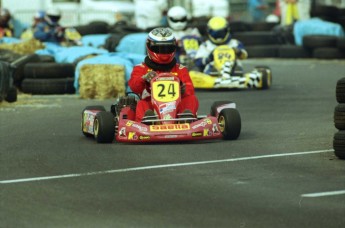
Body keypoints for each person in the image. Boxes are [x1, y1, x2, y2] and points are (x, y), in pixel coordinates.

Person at [128, 27, 199, 123]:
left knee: (191, 99)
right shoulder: (141, 68)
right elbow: (134, 87)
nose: (164, 52)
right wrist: (144, 79)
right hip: (152, 107)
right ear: (150, 46)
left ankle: (185, 119)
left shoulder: (180, 69)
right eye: (160, 48)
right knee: (141, 104)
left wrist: (183, 89)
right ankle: (149, 120)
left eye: (167, 48)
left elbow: (190, 90)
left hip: (176, 108)